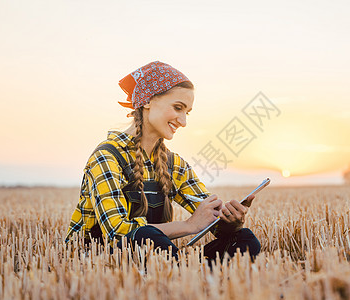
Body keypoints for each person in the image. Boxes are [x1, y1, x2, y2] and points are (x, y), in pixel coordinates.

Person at [65, 61, 261, 263]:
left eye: (187, 112)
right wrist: (189, 225)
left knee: (245, 240)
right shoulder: (107, 156)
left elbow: (208, 218)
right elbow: (117, 232)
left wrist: (230, 221)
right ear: (148, 101)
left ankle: (193, 278)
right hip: (104, 260)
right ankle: (189, 276)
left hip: (152, 258)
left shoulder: (174, 164)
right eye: (178, 108)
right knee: (146, 236)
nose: (183, 121)